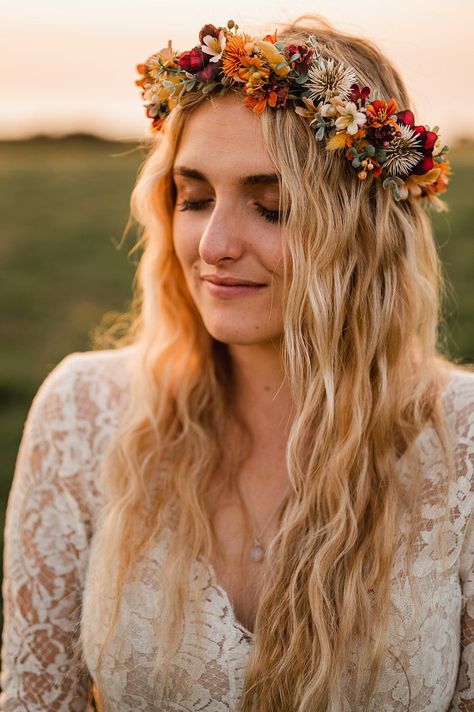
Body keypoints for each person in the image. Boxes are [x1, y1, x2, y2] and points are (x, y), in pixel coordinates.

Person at [1, 14, 473, 712]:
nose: (214, 243)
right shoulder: (83, 413)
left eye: (273, 208)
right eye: (193, 198)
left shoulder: (461, 441)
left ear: (366, 232)